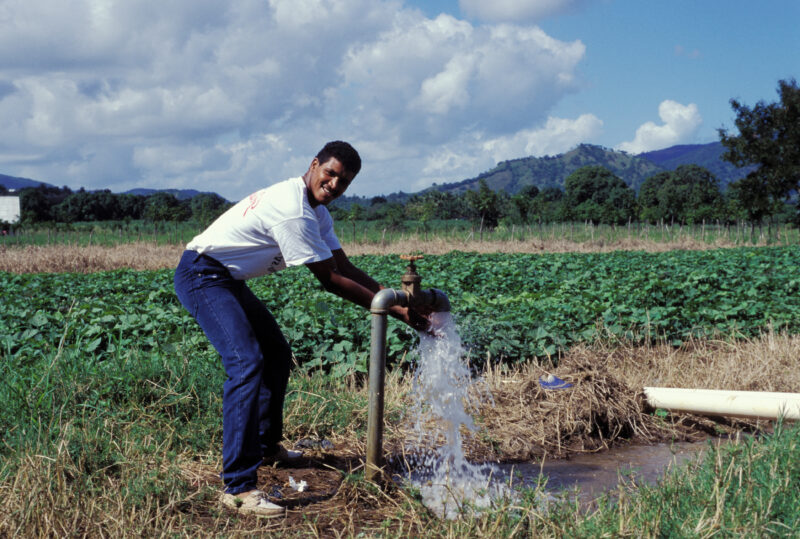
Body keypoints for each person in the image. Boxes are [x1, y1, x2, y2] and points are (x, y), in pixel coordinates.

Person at [173, 141, 429, 517]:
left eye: (344, 182)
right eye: (330, 174)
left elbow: (346, 268)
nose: (334, 185)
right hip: (202, 274)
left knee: (275, 352)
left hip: (227, 278)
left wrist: (394, 298)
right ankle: (238, 487)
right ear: (314, 165)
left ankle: (266, 447)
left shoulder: (317, 212)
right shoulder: (294, 211)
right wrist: (394, 310)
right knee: (245, 363)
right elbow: (329, 280)